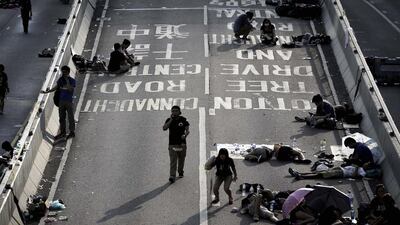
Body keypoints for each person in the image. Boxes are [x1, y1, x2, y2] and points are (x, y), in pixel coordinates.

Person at [41, 65, 76, 139]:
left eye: (65, 72)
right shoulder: (60, 80)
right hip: (61, 101)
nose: (63, 73)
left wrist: (67, 81)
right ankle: (63, 132)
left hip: (69, 101)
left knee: (70, 117)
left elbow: (70, 90)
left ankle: (72, 132)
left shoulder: (72, 81)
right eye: (62, 72)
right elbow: (56, 87)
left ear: (68, 72)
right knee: (61, 117)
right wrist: (47, 92)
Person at [163, 105, 190, 183]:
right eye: (173, 111)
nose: (174, 112)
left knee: (181, 159)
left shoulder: (183, 120)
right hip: (172, 144)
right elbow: (164, 128)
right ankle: (172, 176)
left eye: (176, 111)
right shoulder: (169, 120)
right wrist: (171, 120)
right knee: (173, 161)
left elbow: (187, 130)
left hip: (182, 144)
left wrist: (185, 135)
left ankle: (180, 171)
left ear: (179, 112)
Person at [244, 144, 311, 164]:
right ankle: (302, 160)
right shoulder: (282, 147)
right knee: (297, 154)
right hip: (281, 155)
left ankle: (301, 160)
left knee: (296, 154)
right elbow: (299, 153)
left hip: (280, 156)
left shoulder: (280, 147)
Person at [288, 165, 366, 180]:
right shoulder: (357, 166)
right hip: (339, 169)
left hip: (341, 173)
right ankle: (299, 173)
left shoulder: (362, 171)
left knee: (318, 175)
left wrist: (356, 169)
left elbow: (356, 176)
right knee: (318, 172)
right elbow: (344, 167)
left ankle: (301, 177)